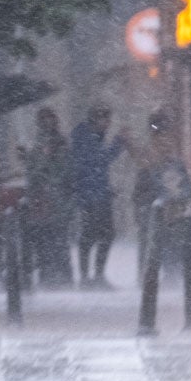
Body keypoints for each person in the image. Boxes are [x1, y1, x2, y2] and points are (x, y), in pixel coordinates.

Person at [70, 104, 129, 288]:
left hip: (96, 194)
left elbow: (95, 167)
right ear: (96, 120)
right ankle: (91, 276)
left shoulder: (91, 137)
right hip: (92, 196)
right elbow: (98, 162)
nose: (108, 124)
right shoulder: (87, 138)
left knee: (99, 234)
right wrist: (119, 143)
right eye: (106, 120)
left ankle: (92, 276)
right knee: (96, 234)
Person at [131, 110, 191, 278]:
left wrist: (176, 200)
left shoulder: (174, 164)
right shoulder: (148, 164)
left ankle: (167, 274)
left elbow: (185, 187)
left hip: (169, 213)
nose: (164, 144)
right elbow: (142, 191)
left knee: (168, 242)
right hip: (153, 212)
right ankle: (148, 276)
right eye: (159, 139)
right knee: (151, 243)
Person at [21, 107, 73, 287]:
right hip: (42, 199)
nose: (47, 123)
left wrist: (44, 162)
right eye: (43, 120)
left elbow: (59, 170)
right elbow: (34, 170)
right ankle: (47, 276)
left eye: (49, 119)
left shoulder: (59, 143)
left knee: (57, 239)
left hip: (55, 200)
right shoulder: (39, 142)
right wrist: (29, 159)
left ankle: (61, 277)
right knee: (44, 240)